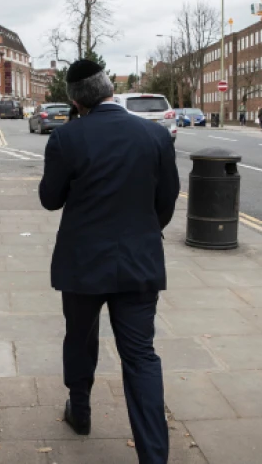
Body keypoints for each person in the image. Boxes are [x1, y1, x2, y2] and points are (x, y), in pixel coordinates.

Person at [39, 59, 179, 464]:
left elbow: (50, 199)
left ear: (74, 100)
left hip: (82, 264)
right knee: (140, 355)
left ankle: (80, 412)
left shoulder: (67, 138)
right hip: (139, 262)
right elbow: (166, 202)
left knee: (80, 339)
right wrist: (142, 231)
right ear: (109, 90)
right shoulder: (154, 135)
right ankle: (154, 457)